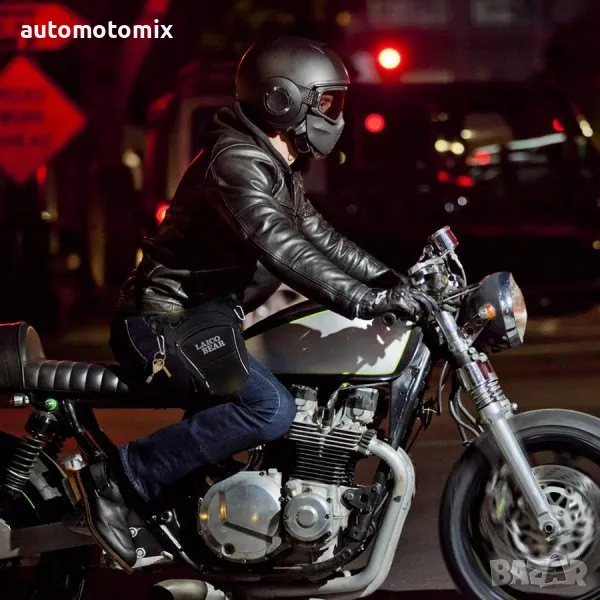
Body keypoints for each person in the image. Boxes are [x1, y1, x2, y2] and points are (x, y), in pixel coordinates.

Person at [71, 36, 423, 571]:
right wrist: (364, 299)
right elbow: (281, 247)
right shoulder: (236, 163)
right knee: (269, 408)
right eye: (326, 101)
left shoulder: (273, 162)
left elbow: (319, 237)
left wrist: (391, 280)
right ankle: (120, 477)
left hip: (204, 318)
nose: (335, 114)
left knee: (299, 388)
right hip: (163, 320)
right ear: (283, 99)